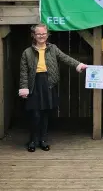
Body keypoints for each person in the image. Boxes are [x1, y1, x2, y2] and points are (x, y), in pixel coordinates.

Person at [18, 24, 87, 152]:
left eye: (44, 33)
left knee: (45, 114)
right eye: (38, 34)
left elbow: (65, 58)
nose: (41, 36)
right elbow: (23, 72)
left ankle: (43, 140)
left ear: (47, 35)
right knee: (35, 115)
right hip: (34, 84)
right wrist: (24, 88)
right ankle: (33, 140)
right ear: (33, 35)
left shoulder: (53, 48)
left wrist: (79, 65)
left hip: (48, 83)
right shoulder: (27, 52)